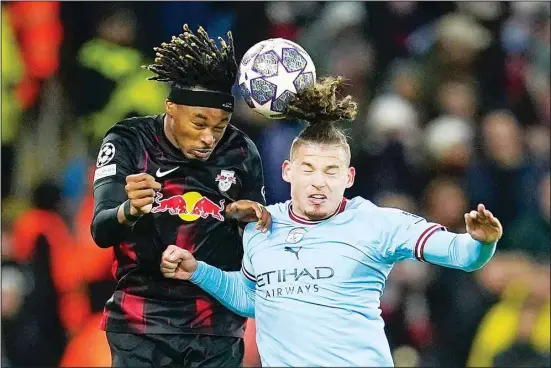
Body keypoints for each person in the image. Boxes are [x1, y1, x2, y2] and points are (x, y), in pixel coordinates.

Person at [160, 76, 504, 367]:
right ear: (287, 172)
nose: (318, 181)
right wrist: (198, 271)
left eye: (331, 171)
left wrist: (481, 243)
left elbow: (461, 255)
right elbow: (256, 298)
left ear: (349, 177)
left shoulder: (376, 224)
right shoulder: (262, 227)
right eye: (308, 169)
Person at [90, 24, 270, 367]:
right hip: (141, 324)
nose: (209, 138)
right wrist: (128, 210)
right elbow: (101, 230)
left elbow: (257, 252)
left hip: (216, 329)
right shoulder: (128, 141)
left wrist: (243, 219)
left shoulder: (241, 152)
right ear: (171, 107)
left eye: (219, 126)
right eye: (199, 123)